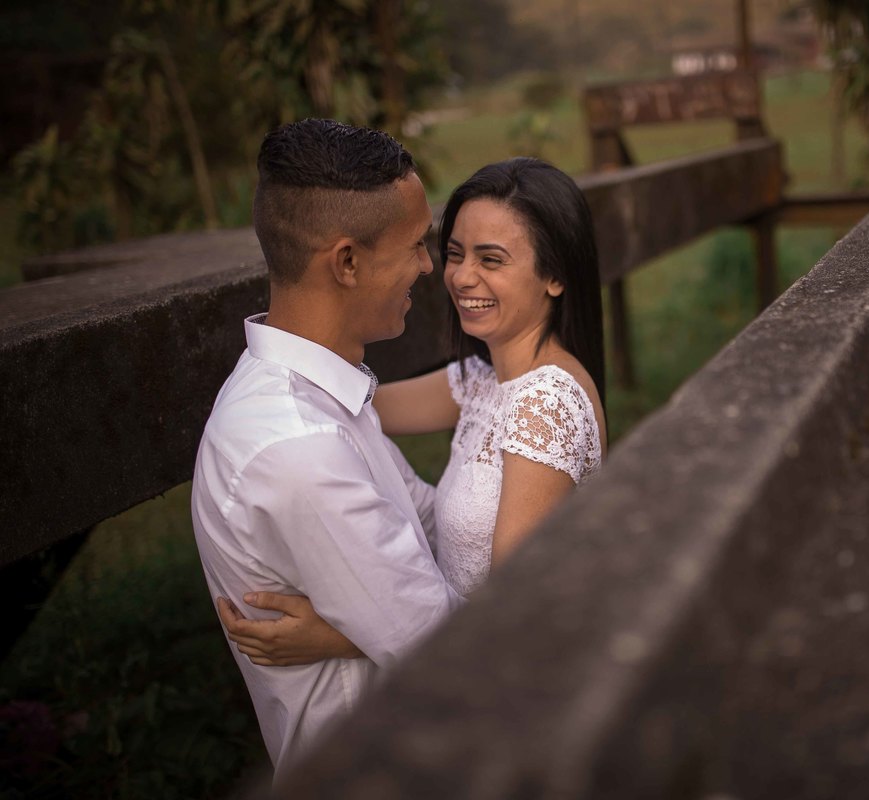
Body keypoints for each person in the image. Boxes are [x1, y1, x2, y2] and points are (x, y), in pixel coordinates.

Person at [217, 157, 607, 665]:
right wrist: (267, 378)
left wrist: (345, 639)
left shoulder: (546, 404)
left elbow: (511, 618)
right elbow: (345, 400)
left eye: (491, 260)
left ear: (554, 275)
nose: (461, 277)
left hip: (509, 678)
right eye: (455, 253)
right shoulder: (482, 381)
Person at [190, 118, 464, 777]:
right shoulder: (300, 449)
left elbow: (426, 520)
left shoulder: (316, 398)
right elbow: (453, 651)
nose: (428, 266)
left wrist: (347, 635)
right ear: (346, 262)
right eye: (415, 245)